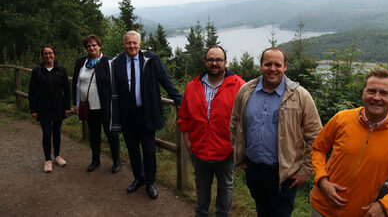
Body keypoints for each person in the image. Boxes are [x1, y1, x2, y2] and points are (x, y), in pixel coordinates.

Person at [310, 69, 388, 217]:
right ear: (363, 93)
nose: (376, 97)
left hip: (361, 213)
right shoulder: (342, 119)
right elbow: (318, 149)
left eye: (384, 93)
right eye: (371, 91)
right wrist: (321, 180)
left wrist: (386, 205)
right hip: (321, 207)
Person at [230, 47, 322, 217]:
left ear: (285, 67)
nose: (272, 68)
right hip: (254, 170)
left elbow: (316, 136)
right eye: (268, 64)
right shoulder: (246, 91)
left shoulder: (300, 96)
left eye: (277, 65)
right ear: (261, 66)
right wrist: (239, 157)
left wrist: (305, 171)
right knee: (261, 210)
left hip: (285, 175)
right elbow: (235, 124)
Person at [110, 30, 182, 199]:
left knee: (149, 150)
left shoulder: (151, 59)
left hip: (146, 114)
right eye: (128, 43)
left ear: (139, 44)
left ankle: (150, 182)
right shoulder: (117, 62)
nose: (132, 46)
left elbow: (165, 80)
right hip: (128, 115)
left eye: (135, 43)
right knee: (133, 149)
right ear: (124, 44)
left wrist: (180, 100)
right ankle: (138, 178)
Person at [178, 45, 245, 217]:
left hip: (226, 151)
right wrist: (187, 141)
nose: (214, 63)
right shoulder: (192, 86)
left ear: (225, 62)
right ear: (205, 62)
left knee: (226, 186)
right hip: (199, 149)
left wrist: (239, 148)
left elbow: (247, 121)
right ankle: (201, 214)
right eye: (211, 60)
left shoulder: (239, 86)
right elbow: (183, 117)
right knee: (201, 186)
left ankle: (222, 215)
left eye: (218, 60)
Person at [72, 34, 120, 173]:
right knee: (94, 135)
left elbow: (116, 83)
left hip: (105, 106)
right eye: (88, 46)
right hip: (88, 105)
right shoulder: (81, 62)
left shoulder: (109, 62)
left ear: (99, 46)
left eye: (94, 45)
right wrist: (74, 103)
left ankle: (116, 161)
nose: (91, 48)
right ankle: (95, 160)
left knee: (111, 134)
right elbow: (75, 82)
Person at [28, 45, 71, 173]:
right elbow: (31, 91)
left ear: (54, 54)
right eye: (45, 53)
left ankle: (57, 156)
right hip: (43, 107)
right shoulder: (38, 70)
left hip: (59, 106)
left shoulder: (61, 69)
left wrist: (67, 106)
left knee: (57, 132)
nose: (48, 55)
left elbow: (67, 90)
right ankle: (47, 159)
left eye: (50, 53)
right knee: (47, 133)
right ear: (42, 56)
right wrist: (33, 109)